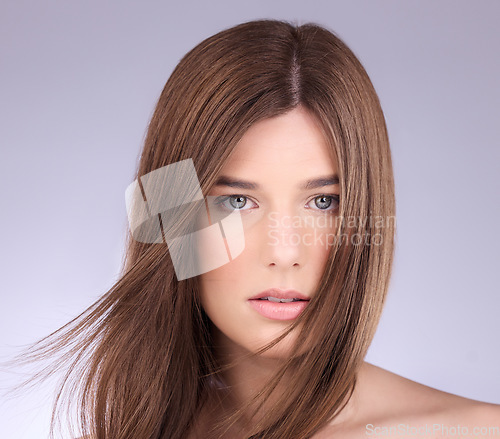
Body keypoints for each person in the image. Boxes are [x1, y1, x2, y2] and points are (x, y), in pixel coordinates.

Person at [3, 18, 499, 439]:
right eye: (237, 201)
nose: (285, 253)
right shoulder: (134, 425)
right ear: (168, 216)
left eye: (324, 202)